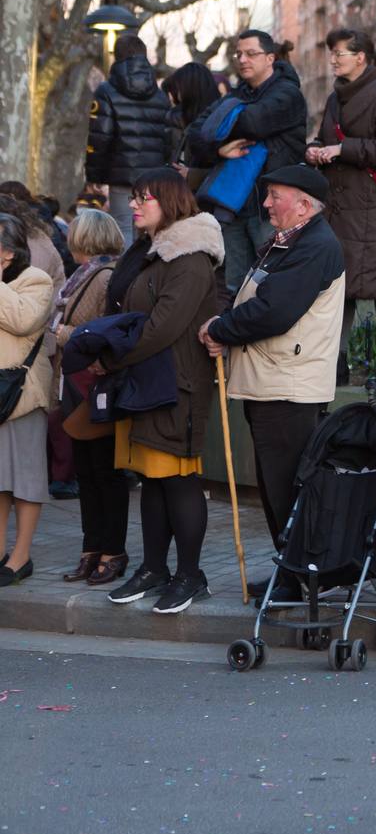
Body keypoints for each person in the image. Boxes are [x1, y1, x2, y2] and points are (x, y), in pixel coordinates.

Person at [200, 165, 344, 599]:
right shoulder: (291, 241)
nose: (265, 204)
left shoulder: (315, 245)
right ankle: (291, 573)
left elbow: (274, 311)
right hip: (272, 382)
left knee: (287, 491)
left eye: (274, 195)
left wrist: (220, 329)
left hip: (288, 387)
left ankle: (298, 577)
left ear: (303, 204)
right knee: (277, 488)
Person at [100, 169, 222, 613]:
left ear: (169, 202)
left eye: (143, 198)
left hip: (176, 387)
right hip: (145, 384)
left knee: (179, 481)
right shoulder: (152, 253)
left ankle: (191, 575)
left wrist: (111, 355)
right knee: (153, 481)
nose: (134, 205)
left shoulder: (189, 259)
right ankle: (155, 568)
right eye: (133, 197)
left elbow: (161, 328)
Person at [307, 28, 376, 382]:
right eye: (332, 53)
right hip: (339, 206)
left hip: (375, 207)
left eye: (340, 53)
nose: (333, 59)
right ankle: (337, 361)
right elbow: (326, 136)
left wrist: (342, 149)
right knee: (339, 286)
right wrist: (316, 149)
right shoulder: (336, 98)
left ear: (360, 57)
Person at [185, 29, 307, 295]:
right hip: (235, 205)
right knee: (235, 287)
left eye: (251, 53)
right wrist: (221, 149)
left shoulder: (288, 94)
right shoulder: (235, 96)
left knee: (273, 282)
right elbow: (195, 136)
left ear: (270, 58)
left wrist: (220, 125)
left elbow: (253, 123)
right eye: (238, 54)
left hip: (273, 208)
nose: (242, 59)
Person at [53, 210, 131, 586]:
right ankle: (91, 549)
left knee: (106, 473)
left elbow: (103, 332)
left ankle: (112, 551)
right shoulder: (82, 275)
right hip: (77, 386)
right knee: (87, 474)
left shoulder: (105, 277)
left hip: (96, 386)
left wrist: (63, 332)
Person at [0, 215, 56, 588]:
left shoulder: (35, 280)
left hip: (19, 394)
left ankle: (20, 557)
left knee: (25, 479)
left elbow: (22, 320)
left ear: (7, 250)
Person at [86, 35, 171, 246]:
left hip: (120, 176)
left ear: (117, 56)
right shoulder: (160, 95)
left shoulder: (106, 91)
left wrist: (94, 175)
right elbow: (167, 138)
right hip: (153, 178)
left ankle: (124, 278)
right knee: (151, 233)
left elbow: (100, 137)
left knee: (121, 230)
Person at [162, 62, 221, 193]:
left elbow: (226, 170)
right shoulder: (188, 119)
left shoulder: (215, 123)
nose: (177, 96)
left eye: (179, 89)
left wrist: (192, 175)